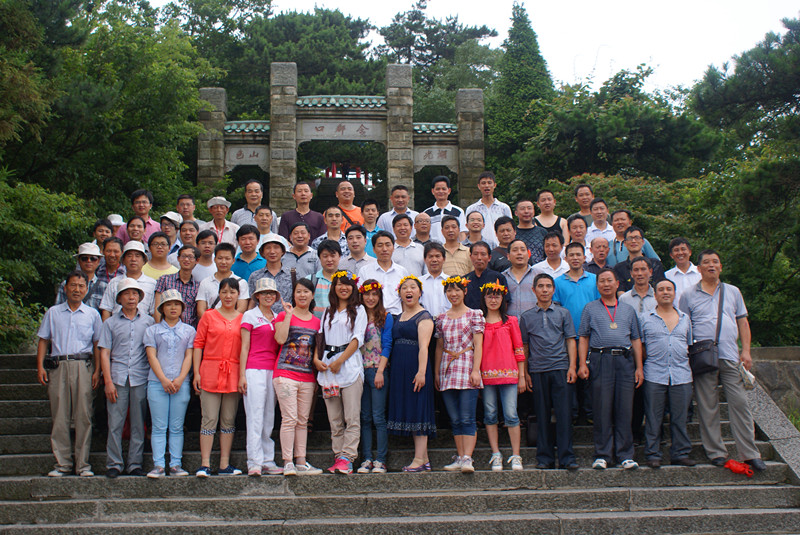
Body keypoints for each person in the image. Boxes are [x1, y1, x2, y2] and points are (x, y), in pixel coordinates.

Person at [678, 250, 765, 471]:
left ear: (721, 267)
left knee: (740, 404)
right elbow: (683, 326)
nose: (711, 265)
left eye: (715, 262)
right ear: (698, 269)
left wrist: (746, 351)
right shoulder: (688, 294)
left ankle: (750, 453)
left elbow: (743, 322)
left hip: (729, 354)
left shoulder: (733, 291)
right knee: (708, 406)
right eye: (706, 262)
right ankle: (716, 452)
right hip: (702, 356)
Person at [37, 271, 102, 477]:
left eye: (81, 286)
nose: (77, 289)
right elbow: (43, 340)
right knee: (60, 416)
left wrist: (98, 370)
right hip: (58, 366)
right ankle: (62, 464)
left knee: (84, 416)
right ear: (65, 288)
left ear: (86, 289)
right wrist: (40, 367)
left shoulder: (92, 314)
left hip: (83, 365)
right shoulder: (53, 313)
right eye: (73, 285)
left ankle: (83, 464)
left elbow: (97, 344)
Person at [577, 269, 643, 471]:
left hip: (624, 361)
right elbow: (583, 337)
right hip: (600, 360)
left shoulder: (628, 310)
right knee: (602, 408)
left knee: (625, 409)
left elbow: (636, 339)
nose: (606, 284)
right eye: (602, 281)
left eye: (609, 280)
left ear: (617, 284)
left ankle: (625, 454)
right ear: (597, 285)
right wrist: (582, 364)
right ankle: (602, 454)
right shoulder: (590, 308)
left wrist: (639, 367)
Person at [520, 273, 579, 470]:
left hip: (560, 368)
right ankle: (544, 458)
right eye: (540, 286)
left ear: (554, 290)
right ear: (533, 290)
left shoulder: (563, 313)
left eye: (548, 286)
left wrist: (572, 366)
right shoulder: (526, 317)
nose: (544, 290)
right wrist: (526, 372)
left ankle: (567, 457)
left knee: (564, 415)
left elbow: (570, 340)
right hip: (538, 370)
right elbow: (525, 346)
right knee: (542, 414)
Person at [98, 278, 155, 478]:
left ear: (140, 297)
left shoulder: (148, 321)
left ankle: (134, 464)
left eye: (135, 294)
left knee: (138, 423)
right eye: (126, 294)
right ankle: (114, 463)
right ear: (119, 298)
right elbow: (104, 353)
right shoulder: (110, 323)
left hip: (140, 377)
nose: (131, 297)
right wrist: (107, 381)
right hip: (117, 377)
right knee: (115, 422)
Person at [316, 270, 367, 475]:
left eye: (347, 284)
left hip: (349, 366)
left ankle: (348, 457)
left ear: (353, 288)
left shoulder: (359, 310)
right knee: (334, 418)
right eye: (339, 284)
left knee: (351, 416)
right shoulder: (328, 311)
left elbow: (357, 339)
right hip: (328, 369)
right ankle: (338, 456)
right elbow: (320, 338)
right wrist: (316, 360)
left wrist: (340, 360)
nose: (343, 288)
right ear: (333, 287)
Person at [641, 279, 695, 469]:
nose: (665, 292)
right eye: (661, 289)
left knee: (680, 417)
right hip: (654, 373)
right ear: (655, 295)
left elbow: (688, 344)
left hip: (681, 374)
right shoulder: (645, 318)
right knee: (653, 417)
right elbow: (641, 346)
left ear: (674, 293)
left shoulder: (685, 318)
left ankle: (680, 453)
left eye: (669, 289)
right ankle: (653, 453)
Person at [193, 277, 244, 477]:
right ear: (219, 294)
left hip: (233, 373)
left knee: (228, 420)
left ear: (238, 295)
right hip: (210, 371)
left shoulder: (243, 318)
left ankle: (224, 464)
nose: (228, 296)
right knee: (209, 419)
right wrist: (196, 372)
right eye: (224, 292)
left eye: (232, 292)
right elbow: (199, 344)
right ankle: (205, 463)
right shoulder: (209, 316)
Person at [273, 278, 324, 476]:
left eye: (306, 292)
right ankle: (288, 462)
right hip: (285, 374)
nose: (302, 295)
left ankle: (301, 461)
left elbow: (316, 351)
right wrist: (288, 316)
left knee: (302, 420)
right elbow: (280, 339)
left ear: (312, 295)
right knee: (289, 419)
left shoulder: (317, 321)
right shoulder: (283, 315)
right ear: (293, 295)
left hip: (307, 377)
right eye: (298, 291)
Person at [434, 275, 484, 474]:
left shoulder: (474, 314)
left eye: (457, 290)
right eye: (449, 290)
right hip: (447, 368)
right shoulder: (441, 318)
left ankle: (467, 458)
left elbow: (478, 344)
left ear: (464, 292)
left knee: (467, 417)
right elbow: (439, 346)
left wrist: (476, 370)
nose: (453, 294)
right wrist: (437, 373)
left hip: (466, 366)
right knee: (454, 418)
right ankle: (460, 455)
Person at [144, 290, 195, 478]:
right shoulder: (152, 331)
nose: (173, 308)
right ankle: (158, 465)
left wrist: (180, 378)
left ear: (182, 308)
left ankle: (175, 464)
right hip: (157, 383)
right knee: (158, 426)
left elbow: (189, 356)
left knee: (176, 427)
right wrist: (164, 379)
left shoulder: (189, 331)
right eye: (168, 304)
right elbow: (152, 356)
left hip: (181, 383)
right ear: (162, 308)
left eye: (176, 304)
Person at [386, 275, 436, 471]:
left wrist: (421, 372)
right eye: (404, 287)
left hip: (416, 367)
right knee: (411, 409)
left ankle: (419, 458)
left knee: (419, 409)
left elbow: (424, 347)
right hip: (400, 368)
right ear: (399, 293)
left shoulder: (424, 316)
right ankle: (424, 459)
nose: (409, 290)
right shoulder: (398, 316)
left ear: (420, 292)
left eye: (413, 287)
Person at [479, 281, 526, 471]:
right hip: (486, 375)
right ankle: (496, 453)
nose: (493, 300)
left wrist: (522, 376)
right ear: (484, 298)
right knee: (490, 414)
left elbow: (519, 348)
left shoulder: (511, 321)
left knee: (511, 415)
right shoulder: (479, 321)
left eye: (497, 296)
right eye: (489, 296)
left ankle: (516, 455)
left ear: (503, 298)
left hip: (509, 374)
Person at [239, 278, 283, 476]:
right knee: (255, 415)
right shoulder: (249, 315)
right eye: (264, 292)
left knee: (269, 416)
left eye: (271, 293)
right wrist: (242, 375)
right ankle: (254, 461)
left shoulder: (278, 317)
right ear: (257, 296)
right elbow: (244, 347)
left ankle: (267, 459)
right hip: (254, 369)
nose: (268, 296)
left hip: (272, 369)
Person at [553, 242, 600, 423]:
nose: (575, 258)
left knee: (590, 375)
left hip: (591, 336)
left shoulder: (594, 280)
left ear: (584, 257)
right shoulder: (558, 282)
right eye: (571, 255)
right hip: (568, 337)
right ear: (565, 258)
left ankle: (590, 413)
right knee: (570, 375)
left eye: (578, 254)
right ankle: (572, 413)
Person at [357, 280, 393, 474]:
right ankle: (366, 458)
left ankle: (381, 459)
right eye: (367, 294)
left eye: (374, 294)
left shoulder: (385, 317)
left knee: (378, 416)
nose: (370, 298)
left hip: (378, 370)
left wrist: (380, 371)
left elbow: (387, 345)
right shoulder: (357, 315)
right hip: (359, 371)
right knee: (364, 417)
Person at [100, 241, 156, 321]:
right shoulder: (114, 282)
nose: (133, 259)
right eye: (129, 256)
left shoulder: (152, 284)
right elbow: (106, 310)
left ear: (144, 261)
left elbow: (153, 313)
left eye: (137, 256)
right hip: (117, 326)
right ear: (123, 260)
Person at [357, 231, 408, 314]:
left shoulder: (402, 271)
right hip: (373, 317)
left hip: (397, 316)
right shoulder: (364, 271)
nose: (384, 249)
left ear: (393, 248)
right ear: (374, 249)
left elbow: (405, 298)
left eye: (388, 245)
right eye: (380, 245)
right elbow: (360, 297)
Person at [197, 243, 249, 317]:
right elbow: (201, 309)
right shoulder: (205, 282)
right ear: (214, 259)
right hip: (210, 322)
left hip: (232, 322)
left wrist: (227, 321)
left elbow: (242, 308)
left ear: (233, 260)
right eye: (220, 258)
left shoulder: (241, 283)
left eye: (227, 259)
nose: (223, 262)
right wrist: (211, 321)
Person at [154, 245, 200, 327]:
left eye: (190, 257)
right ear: (178, 258)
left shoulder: (198, 286)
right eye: (183, 256)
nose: (186, 259)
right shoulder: (165, 280)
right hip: (166, 329)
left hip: (189, 331)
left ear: (197, 260)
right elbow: (157, 309)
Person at [465, 171, 512, 246]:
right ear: (479, 186)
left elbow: (510, 229)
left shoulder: (504, 208)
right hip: (478, 248)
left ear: (494, 185)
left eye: (489, 183)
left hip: (500, 248)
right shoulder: (471, 209)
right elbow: (467, 231)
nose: (486, 186)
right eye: (483, 183)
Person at [613, 227, 665, 293]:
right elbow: (620, 292)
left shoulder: (655, 264)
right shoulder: (619, 268)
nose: (633, 241)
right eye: (630, 238)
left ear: (643, 242)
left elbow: (661, 287)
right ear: (625, 243)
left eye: (637, 238)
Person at [56, 243, 107, 312]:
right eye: (84, 258)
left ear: (98, 261)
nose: (89, 261)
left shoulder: (104, 287)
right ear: (79, 261)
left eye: (93, 258)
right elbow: (58, 310)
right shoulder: (66, 284)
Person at [248, 236, 293, 313]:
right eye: (268, 248)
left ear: (282, 251)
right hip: (262, 319)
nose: (272, 251)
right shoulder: (255, 276)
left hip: (286, 318)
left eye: (276, 247)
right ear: (262, 253)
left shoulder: (292, 274)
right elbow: (252, 301)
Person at [463, 241, 509, 310]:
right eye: (475, 254)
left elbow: (505, 302)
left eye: (483, 254)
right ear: (470, 257)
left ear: (489, 258)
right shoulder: (464, 280)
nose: (479, 258)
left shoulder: (498, 278)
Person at [424, 175, 467, 243]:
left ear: (449, 191)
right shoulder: (426, 213)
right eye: (438, 189)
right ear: (433, 191)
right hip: (433, 248)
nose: (441, 191)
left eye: (444, 189)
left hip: (453, 248)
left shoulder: (458, 211)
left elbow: (462, 233)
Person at [307, 240, 342, 317]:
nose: (329, 260)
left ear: (339, 256)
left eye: (332, 256)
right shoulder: (311, 280)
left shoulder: (346, 280)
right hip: (316, 323)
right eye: (325, 256)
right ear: (319, 258)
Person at [503, 239, 537, 318]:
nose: (519, 253)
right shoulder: (502, 277)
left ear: (528, 254)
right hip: (509, 323)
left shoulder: (538, 275)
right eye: (515, 250)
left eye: (523, 250)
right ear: (508, 256)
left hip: (533, 323)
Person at [664, 237, 701, 304]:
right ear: (671, 255)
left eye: (683, 249)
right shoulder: (667, 276)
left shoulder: (701, 273)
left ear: (690, 252)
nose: (680, 253)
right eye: (676, 250)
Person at [419, 242, 450, 318]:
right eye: (430, 256)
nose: (434, 260)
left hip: (447, 322)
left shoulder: (450, 281)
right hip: (425, 322)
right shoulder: (419, 282)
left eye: (437, 256)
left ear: (444, 259)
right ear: (425, 259)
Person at [514, 199, 547, 264]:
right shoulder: (513, 233)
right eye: (522, 209)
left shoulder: (542, 232)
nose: (526, 211)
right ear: (516, 213)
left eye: (529, 208)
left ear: (533, 212)